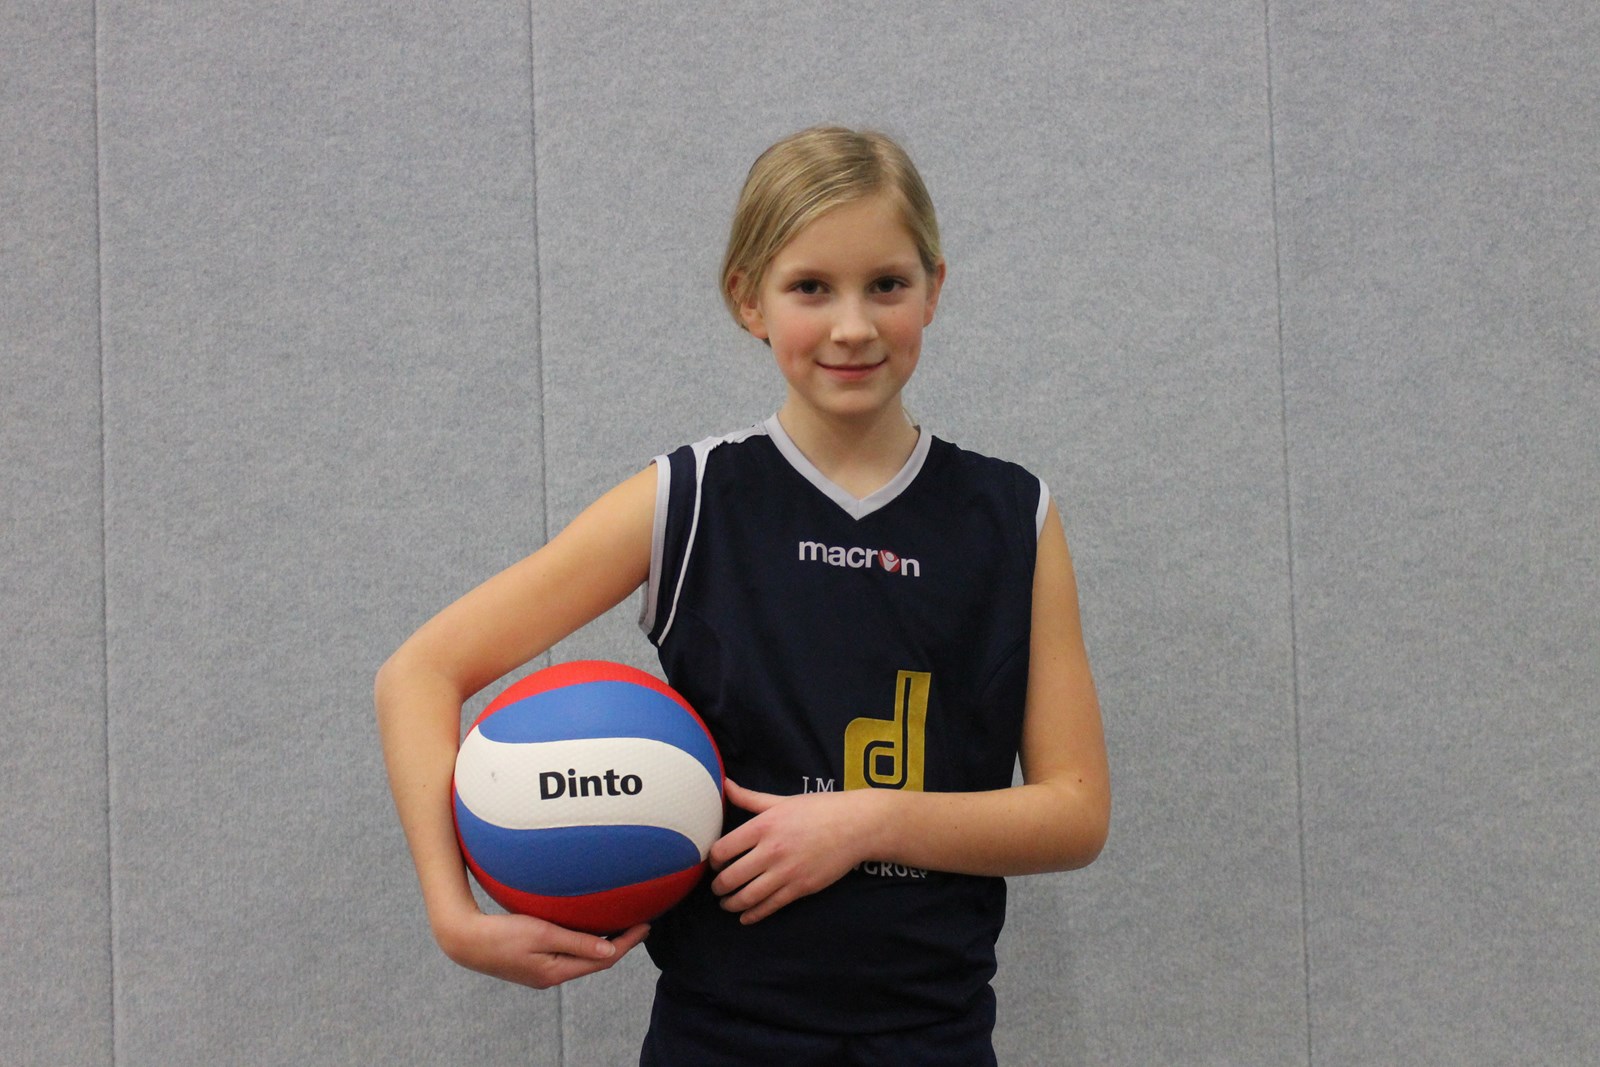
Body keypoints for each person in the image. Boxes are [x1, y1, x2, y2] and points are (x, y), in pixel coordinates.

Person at [376, 125, 1110, 1065]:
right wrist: (454, 914)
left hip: (936, 1035)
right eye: (812, 287)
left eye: (887, 284)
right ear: (748, 298)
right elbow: (419, 674)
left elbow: (1075, 810)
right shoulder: (688, 499)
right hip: (719, 1035)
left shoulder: (1012, 514)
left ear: (934, 288)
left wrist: (866, 819)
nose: (853, 325)